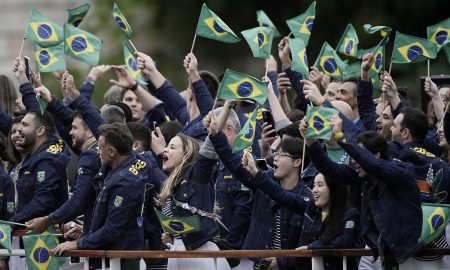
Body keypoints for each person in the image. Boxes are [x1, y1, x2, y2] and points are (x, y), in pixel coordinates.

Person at [300, 116, 422, 269]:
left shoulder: (400, 172)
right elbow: (330, 169)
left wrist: (341, 137)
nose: (353, 161)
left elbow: (373, 165)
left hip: (409, 255)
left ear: (376, 155)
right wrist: (310, 141)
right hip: (380, 252)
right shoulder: (364, 177)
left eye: (358, 155)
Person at [52, 123, 147, 270]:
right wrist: (88, 230)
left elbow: (113, 229)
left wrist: (78, 244)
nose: (97, 151)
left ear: (111, 151)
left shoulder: (125, 181)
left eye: (100, 147)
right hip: (110, 259)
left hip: (120, 262)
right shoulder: (115, 173)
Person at [156, 131, 230, 270]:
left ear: (186, 154)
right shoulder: (167, 185)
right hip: (177, 251)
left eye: (172, 147)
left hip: (200, 252)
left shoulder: (197, 175)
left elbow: (208, 151)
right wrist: (171, 235)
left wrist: (215, 125)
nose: (165, 149)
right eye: (166, 146)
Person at [9, 110, 70, 224]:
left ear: (40, 131)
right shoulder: (32, 157)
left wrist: (12, 223)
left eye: (25, 125)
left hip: (45, 238)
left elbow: (43, 200)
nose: (19, 130)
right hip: (28, 234)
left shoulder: (47, 160)